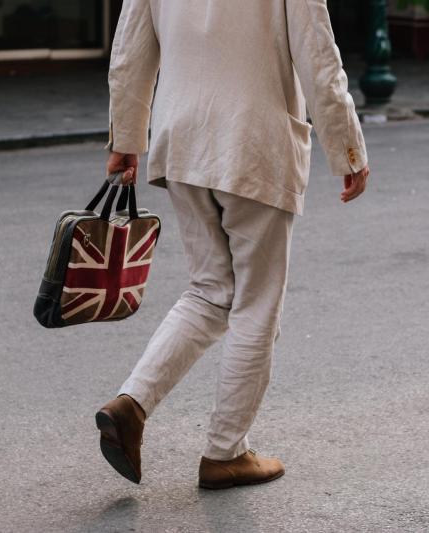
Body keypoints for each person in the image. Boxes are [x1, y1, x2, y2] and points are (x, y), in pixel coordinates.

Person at [95, 0, 370, 490]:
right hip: (254, 141)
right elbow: (318, 55)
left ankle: (131, 404)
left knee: (209, 290)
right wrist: (346, 146)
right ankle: (226, 452)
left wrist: (126, 137)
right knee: (256, 303)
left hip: (180, 138)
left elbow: (129, 50)